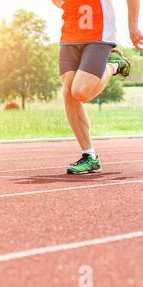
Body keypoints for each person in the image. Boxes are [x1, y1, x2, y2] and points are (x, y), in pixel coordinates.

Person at [52, 0, 143, 174]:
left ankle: (114, 64)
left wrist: (133, 26)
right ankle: (90, 157)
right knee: (68, 93)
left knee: (81, 92)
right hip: (70, 34)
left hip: (98, 34)